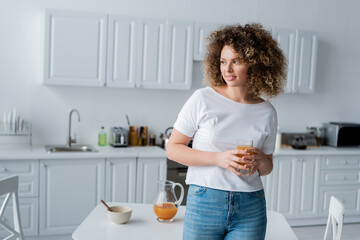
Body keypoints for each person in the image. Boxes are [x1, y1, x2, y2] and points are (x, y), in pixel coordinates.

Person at [166, 23, 286, 240]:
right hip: (205, 200)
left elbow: (267, 167)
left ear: (256, 64)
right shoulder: (202, 98)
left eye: (236, 61)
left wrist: (260, 159)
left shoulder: (267, 111)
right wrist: (219, 158)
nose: (227, 69)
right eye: (223, 62)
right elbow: (173, 149)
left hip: (251, 205)